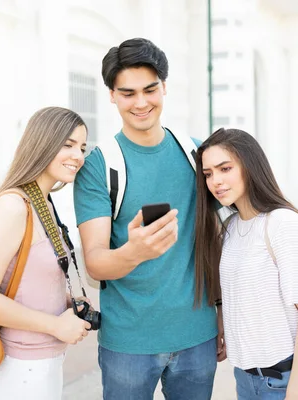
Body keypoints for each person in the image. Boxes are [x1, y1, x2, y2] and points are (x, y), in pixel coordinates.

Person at [73, 38, 218, 399]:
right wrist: (134, 251)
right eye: (128, 93)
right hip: (129, 343)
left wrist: (224, 315)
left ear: (164, 88)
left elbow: (214, 241)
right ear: (111, 95)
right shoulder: (98, 166)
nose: (141, 103)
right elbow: (95, 264)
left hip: (198, 336)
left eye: (150, 90)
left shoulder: (196, 155)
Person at [195, 128, 298, 400]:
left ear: (250, 166)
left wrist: (294, 394)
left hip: (291, 382)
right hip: (247, 380)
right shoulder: (231, 227)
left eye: (225, 168)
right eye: (208, 174)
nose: (216, 181)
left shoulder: (283, 224)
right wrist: (224, 323)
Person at [0, 107, 92, 400]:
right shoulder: (13, 206)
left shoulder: (42, 202)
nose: (78, 156)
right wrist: (55, 325)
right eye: (68, 144)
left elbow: (24, 281)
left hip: (42, 362)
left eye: (82, 147)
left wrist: (66, 302)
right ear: (42, 142)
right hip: (19, 367)